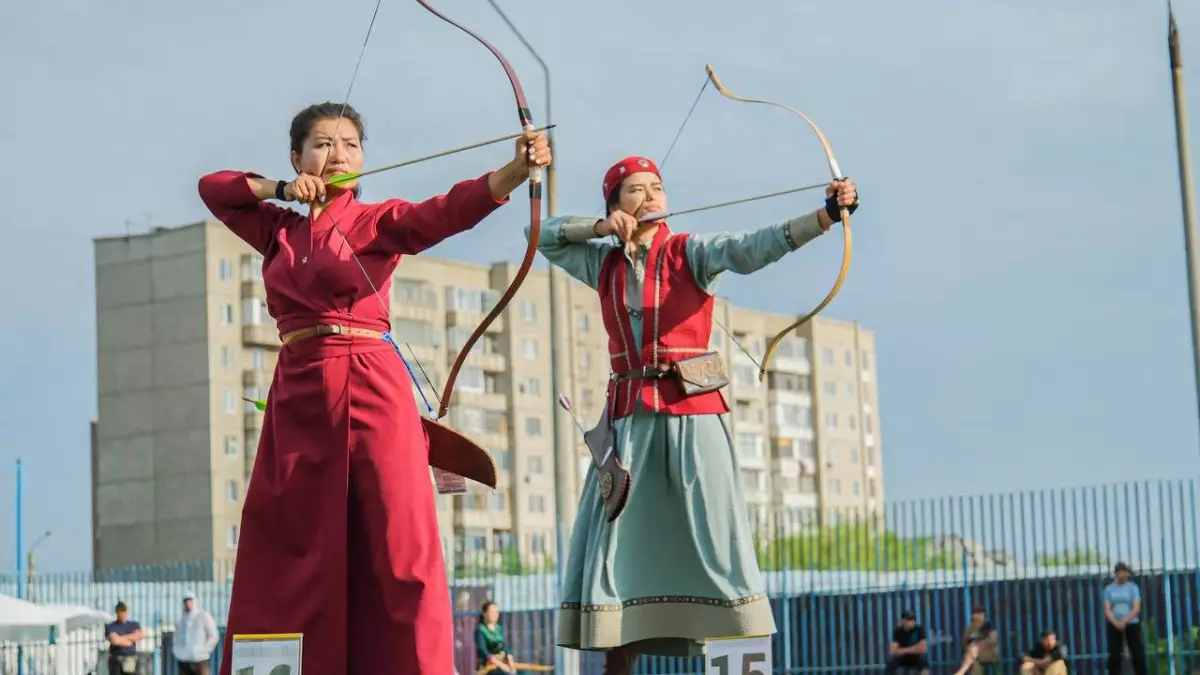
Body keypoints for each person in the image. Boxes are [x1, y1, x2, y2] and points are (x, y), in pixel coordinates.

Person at [198, 101, 551, 675]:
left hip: (369, 380)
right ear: (297, 156)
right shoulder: (276, 229)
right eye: (322, 144)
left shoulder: (378, 220)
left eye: (350, 146)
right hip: (298, 388)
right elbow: (214, 188)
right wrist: (282, 188)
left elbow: (444, 212)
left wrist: (513, 173)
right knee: (287, 542)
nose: (337, 154)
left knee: (399, 538)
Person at [526, 155, 859, 675]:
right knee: (618, 551)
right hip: (629, 425)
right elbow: (544, 236)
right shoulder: (603, 264)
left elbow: (753, 248)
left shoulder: (691, 253)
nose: (651, 196)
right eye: (635, 190)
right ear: (616, 206)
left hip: (693, 420)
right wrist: (596, 230)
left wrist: (824, 216)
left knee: (718, 542)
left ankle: (743, 669)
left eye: (657, 187)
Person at [1103, 561, 1147, 675]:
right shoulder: (1109, 589)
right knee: (1115, 655)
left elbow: (1136, 608)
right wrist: (1115, 622)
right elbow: (1107, 609)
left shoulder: (1133, 588)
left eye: (1125, 572)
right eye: (1121, 572)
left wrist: (1124, 620)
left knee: (1137, 653)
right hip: (1114, 623)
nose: (1123, 575)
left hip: (1131, 623)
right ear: (1116, 574)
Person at [173, 592, 219, 675]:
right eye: (185, 601)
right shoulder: (181, 621)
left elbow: (213, 636)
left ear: (195, 601)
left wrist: (204, 650)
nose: (187, 603)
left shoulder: (203, 616)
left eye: (190, 600)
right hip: (184, 661)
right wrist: (178, 653)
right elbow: (176, 639)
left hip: (200, 660)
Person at [952, 605, 998, 675]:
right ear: (973, 615)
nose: (979, 616)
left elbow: (992, 640)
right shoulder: (969, 629)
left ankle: (960, 672)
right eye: (976, 613)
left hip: (989, 653)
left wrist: (978, 645)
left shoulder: (989, 626)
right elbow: (965, 644)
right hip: (974, 656)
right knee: (973, 659)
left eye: (981, 614)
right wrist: (970, 647)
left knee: (973, 653)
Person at [475, 601, 517, 673]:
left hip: (503, 662)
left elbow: (505, 646)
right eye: (492, 612)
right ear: (484, 613)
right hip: (489, 665)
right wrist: (500, 664)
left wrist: (510, 659)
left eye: (496, 612)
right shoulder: (480, 630)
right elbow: (483, 651)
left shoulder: (499, 628)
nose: (495, 615)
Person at [104, 602, 143, 675]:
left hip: (131, 659)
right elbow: (114, 640)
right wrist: (130, 639)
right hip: (116, 661)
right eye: (121, 611)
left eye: (124, 611)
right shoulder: (111, 626)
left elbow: (139, 636)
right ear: (117, 612)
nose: (123, 614)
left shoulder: (134, 624)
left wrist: (120, 637)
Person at [886, 610, 929, 675]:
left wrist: (903, 650)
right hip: (903, 658)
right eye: (909, 620)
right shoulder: (898, 631)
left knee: (923, 659)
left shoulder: (919, 630)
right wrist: (915, 648)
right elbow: (893, 651)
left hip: (916, 657)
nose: (912, 622)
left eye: (913, 619)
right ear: (904, 621)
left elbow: (923, 649)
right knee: (891, 661)